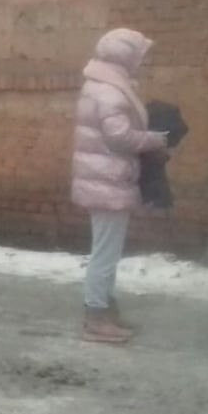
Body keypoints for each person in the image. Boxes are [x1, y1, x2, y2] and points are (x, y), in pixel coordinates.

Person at [70, 28, 169, 344]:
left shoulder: (105, 86)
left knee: (107, 251)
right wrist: (154, 139)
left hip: (107, 180)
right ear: (125, 57)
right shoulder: (109, 91)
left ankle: (104, 310)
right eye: (139, 56)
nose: (142, 62)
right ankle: (95, 317)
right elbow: (118, 136)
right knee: (105, 253)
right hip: (108, 182)